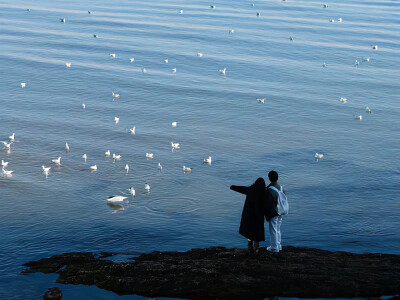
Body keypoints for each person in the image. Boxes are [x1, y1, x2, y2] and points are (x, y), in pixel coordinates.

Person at [230, 177, 267, 250]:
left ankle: (249, 248)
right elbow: (267, 204)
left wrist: (232, 187)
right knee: (257, 232)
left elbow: (241, 189)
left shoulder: (251, 189)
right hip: (258, 216)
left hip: (249, 215)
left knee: (249, 232)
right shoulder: (264, 192)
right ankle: (256, 248)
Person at [265, 170, 285, 253]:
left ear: (269, 178)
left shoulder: (269, 189)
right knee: (278, 229)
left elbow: (268, 203)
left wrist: (267, 214)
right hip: (281, 210)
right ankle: (279, 245)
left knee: (273, 230)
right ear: (277, 178)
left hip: (274, 211)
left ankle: (274, 247)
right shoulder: (280, 187)